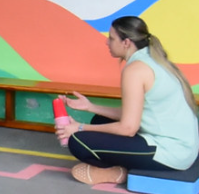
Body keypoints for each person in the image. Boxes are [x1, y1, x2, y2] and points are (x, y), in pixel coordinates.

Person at [56, 16, 199, 184]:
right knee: (99, 120)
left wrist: (79, 128)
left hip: (171, 152)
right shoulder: (151, 59)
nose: (107, 42)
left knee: (78, 141)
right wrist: (90, 107)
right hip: (184, 146)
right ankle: (120, 164)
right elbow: (134, 114)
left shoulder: (135, 70)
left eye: (111, 38)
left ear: (126, 42)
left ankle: (117, 172)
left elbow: (128, 128)